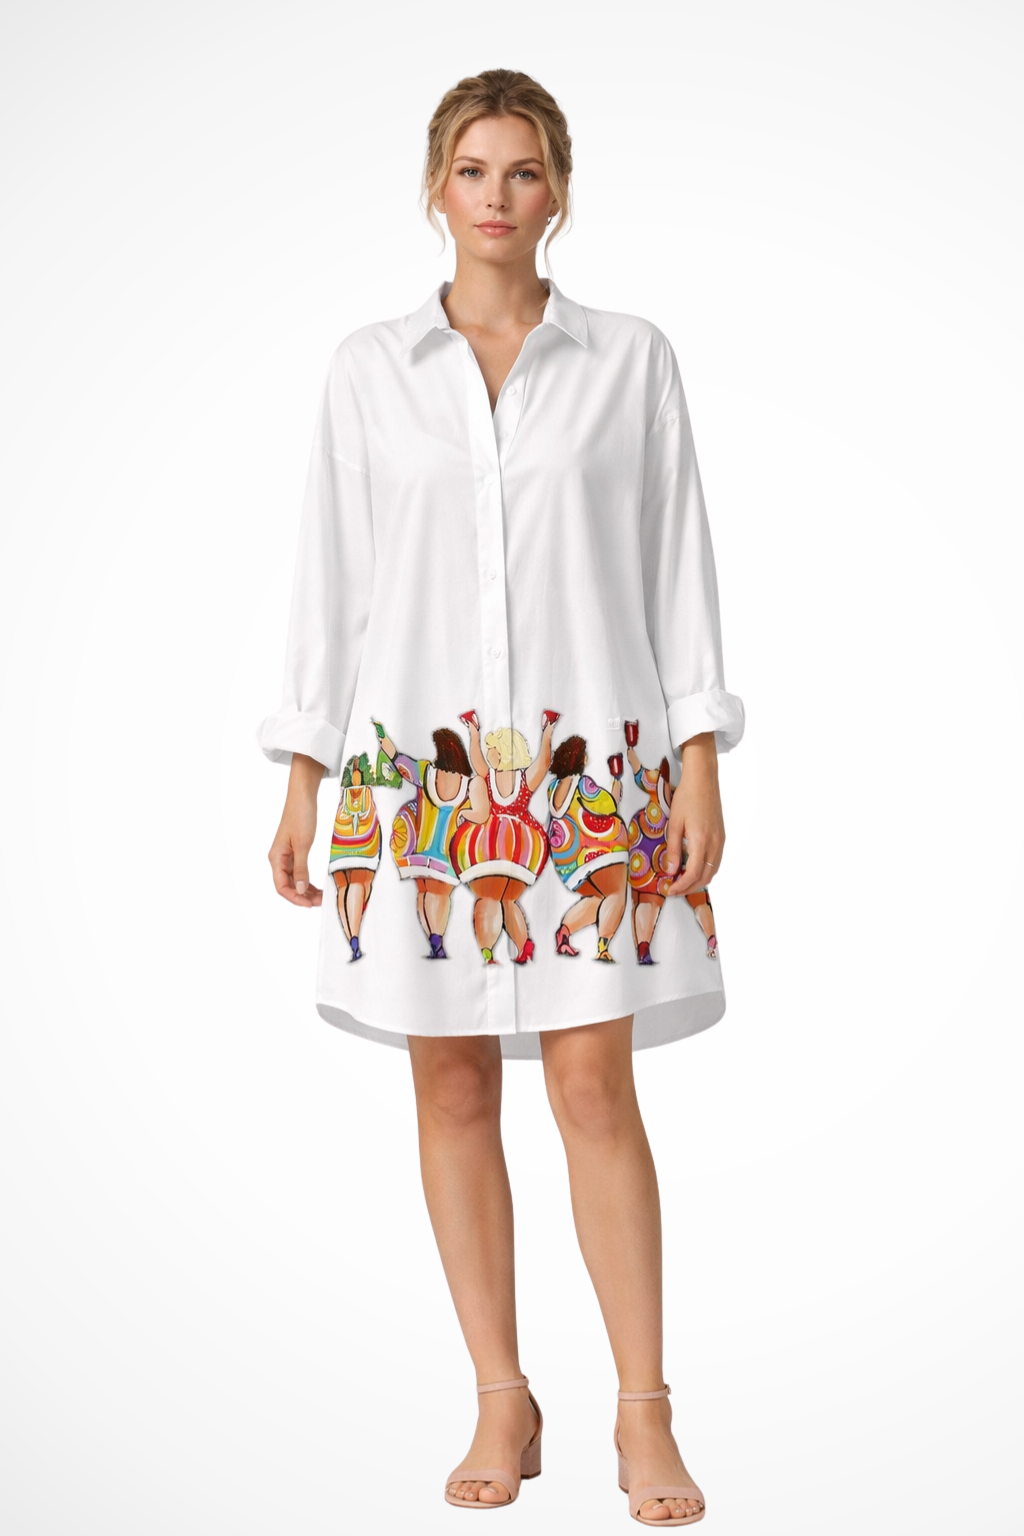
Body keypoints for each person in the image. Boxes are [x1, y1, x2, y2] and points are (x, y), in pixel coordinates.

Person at [258, 68, 745, 1527]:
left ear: (560, 193)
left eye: (523, 171)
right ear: (435, 188)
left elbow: (677, 566)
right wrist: (303, 781)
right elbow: (332, 583)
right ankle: (499, 1393)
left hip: (594, 764)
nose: (497, 196)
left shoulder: (631, 360)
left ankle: (643, 1411)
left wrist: (700, 761)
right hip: (419, 775)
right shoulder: (368, 369)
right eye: (472, 170)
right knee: (451, 1081)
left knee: (595, 1082)